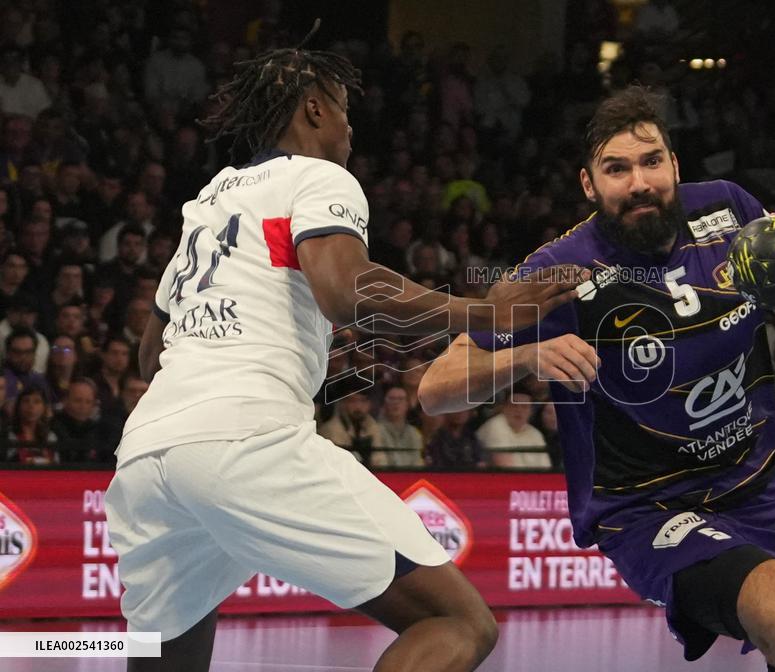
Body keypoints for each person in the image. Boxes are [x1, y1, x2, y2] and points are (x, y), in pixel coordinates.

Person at [104, 34, 580, 672]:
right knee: (456, 622)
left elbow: (150, 356)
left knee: (166, 658)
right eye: (345, 110)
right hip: (245, 437)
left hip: (145, 456)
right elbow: (346, 291)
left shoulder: (211, 202)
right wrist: (485, 313)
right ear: (314, 108)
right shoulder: (320, 177)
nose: (351, 127)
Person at [419, 86, 775, 672]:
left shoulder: (730, 210)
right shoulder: (559, 270)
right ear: (589, 185)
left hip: (757, 490)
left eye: (651, 161)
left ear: (675, 165)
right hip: (647, 510)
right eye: (616, 169)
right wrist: (527, 357)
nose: (639, 183)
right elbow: (435, 388)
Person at [475, 388, 549, 469]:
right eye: (514, 405)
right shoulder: (495, 425)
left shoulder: (535, 433)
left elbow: (546, 467)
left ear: (531, 411)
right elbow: (506, 467)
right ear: (504, 407)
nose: (519, 410)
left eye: (524, 406)